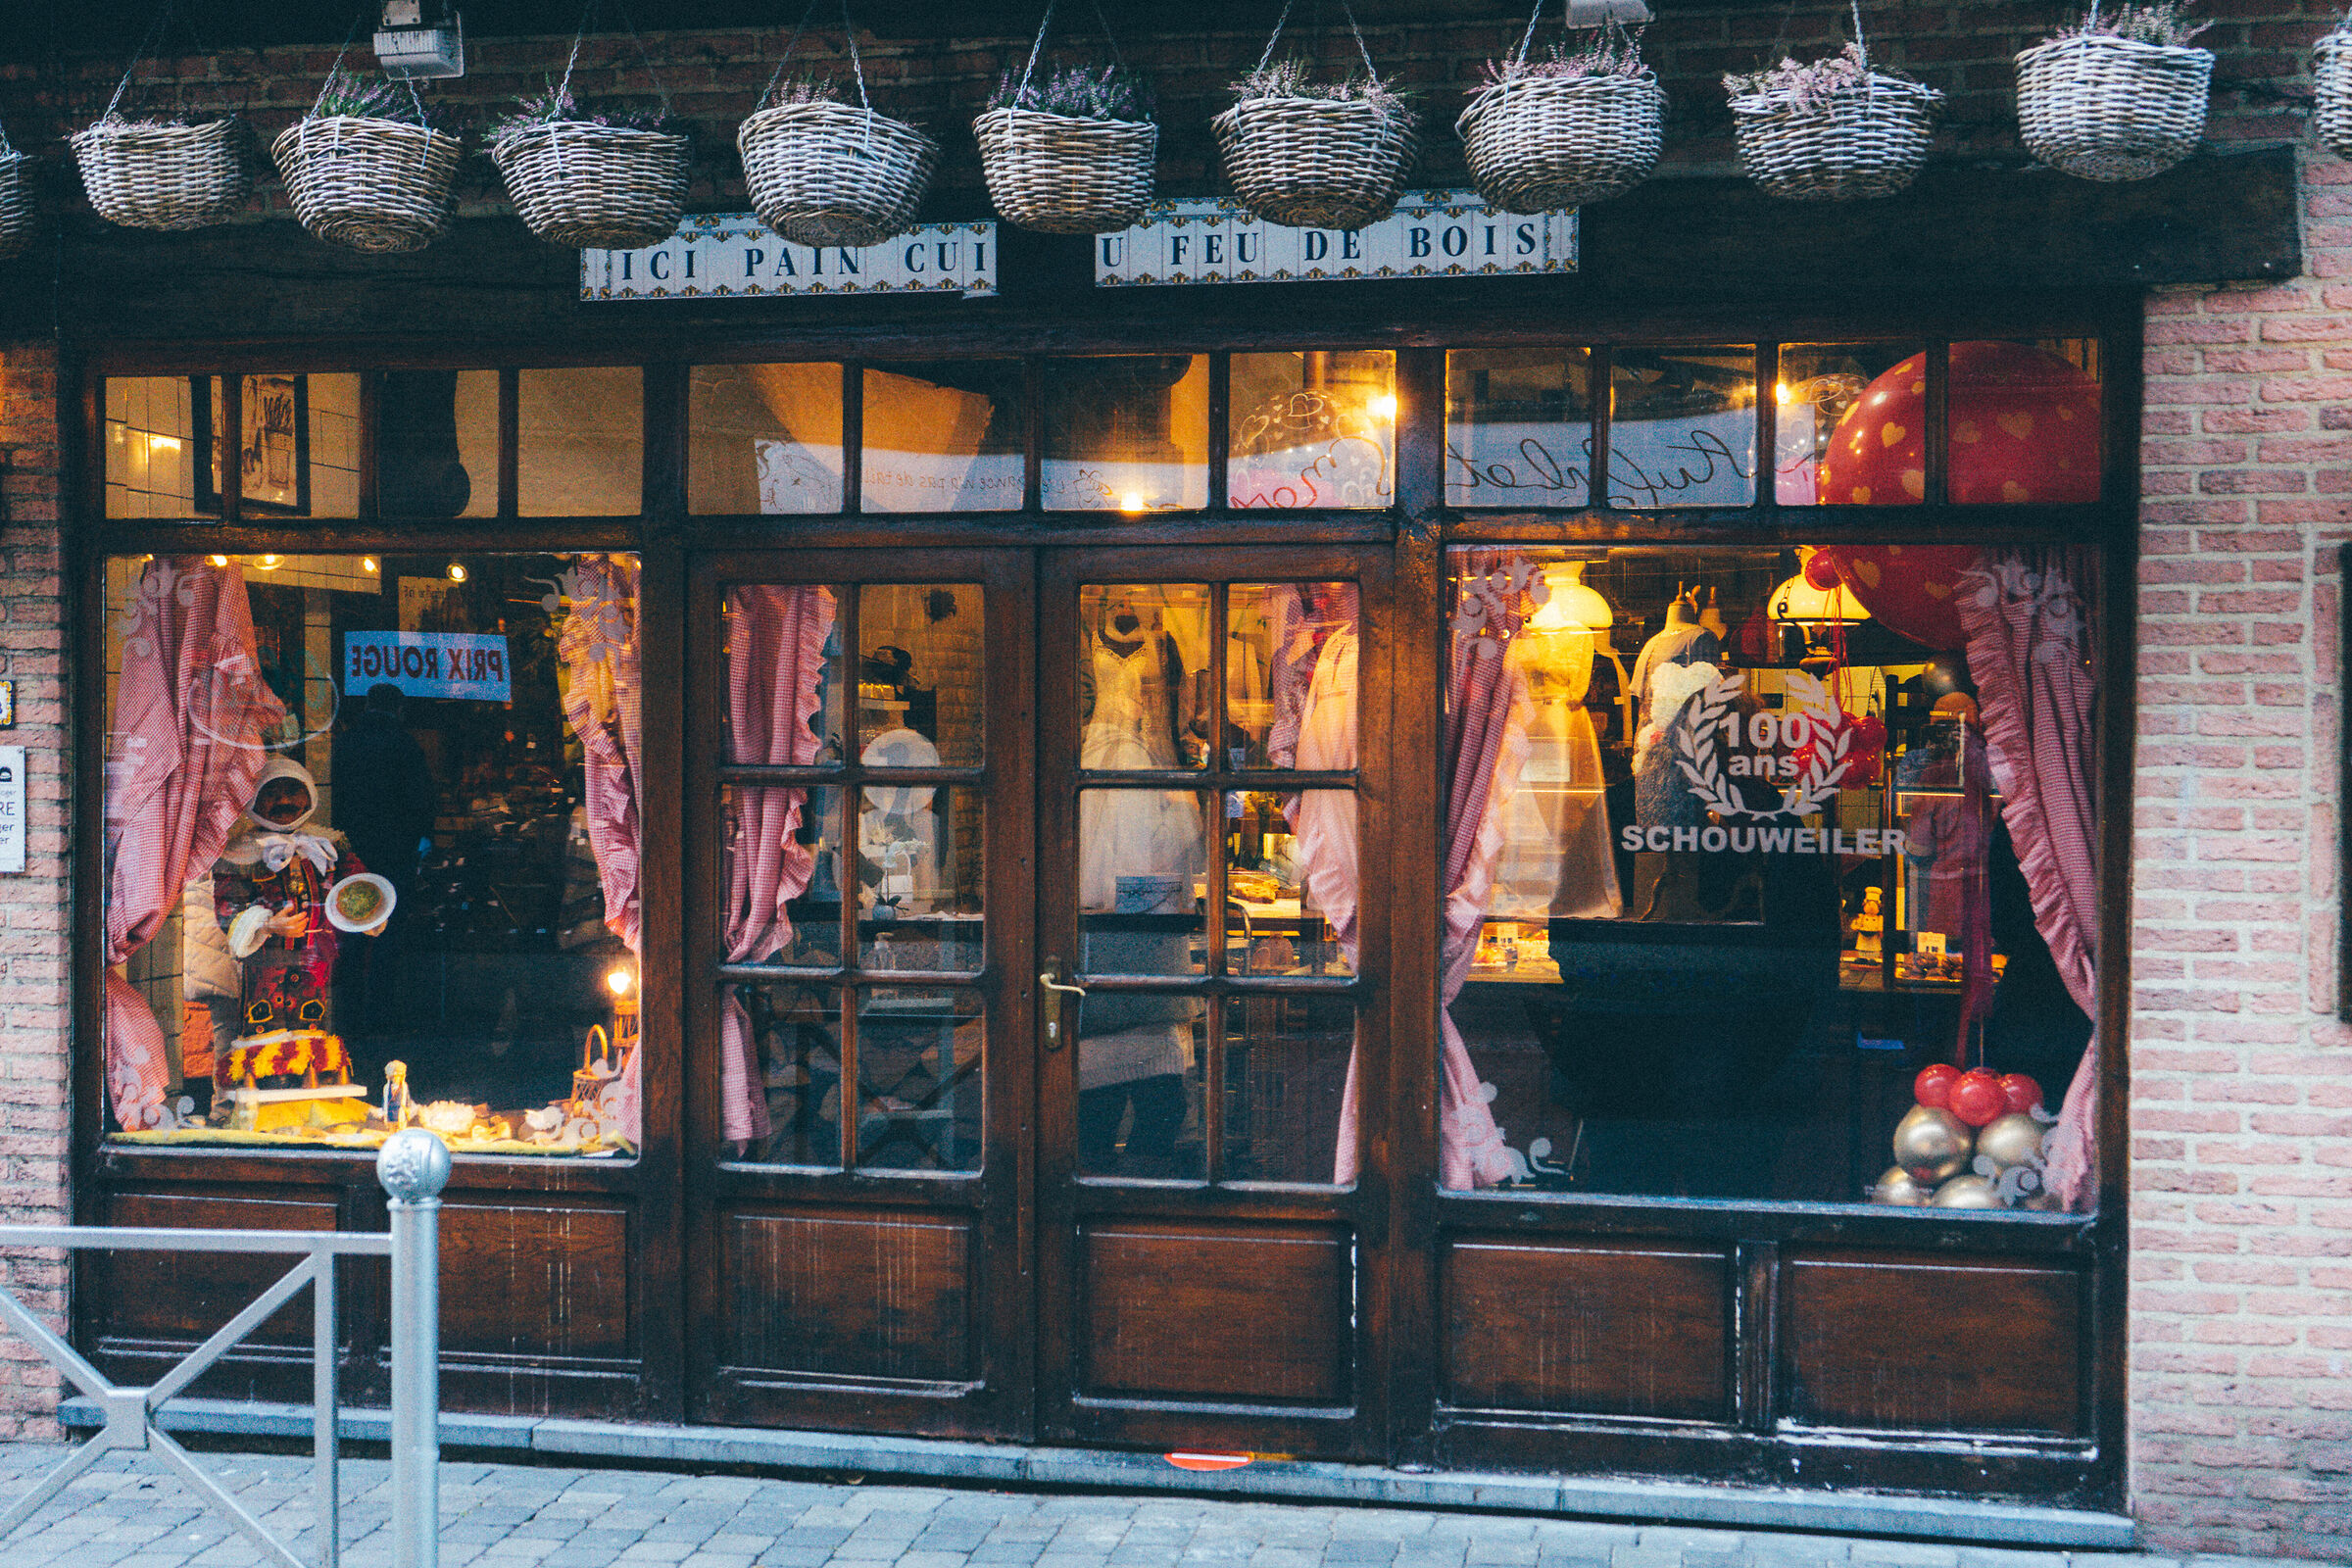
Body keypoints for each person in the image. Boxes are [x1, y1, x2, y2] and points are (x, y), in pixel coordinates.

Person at [333, 683, 437, 1029]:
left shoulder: (345, 742)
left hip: (349, 849)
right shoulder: (406, 745)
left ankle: (348, 1013)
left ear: (367, 705)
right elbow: (421, 799)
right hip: (396, 850)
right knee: (388, 929)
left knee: (349, 925)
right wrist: (423, 840)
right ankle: (379, 1013)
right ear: (400, 709)